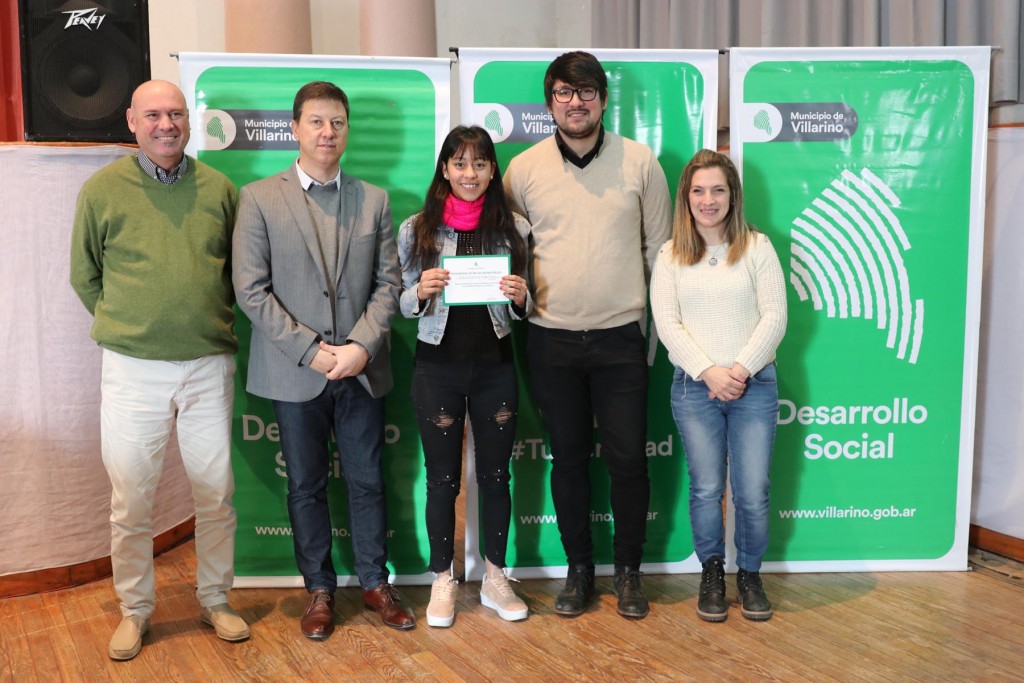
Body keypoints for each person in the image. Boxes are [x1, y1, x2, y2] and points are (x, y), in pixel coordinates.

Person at [70, 80, 249, 661]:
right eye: (153, 115)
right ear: (131, 121)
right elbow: (84, 276)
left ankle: (215, 598)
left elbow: (237, 276)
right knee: (131, 499)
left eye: (175, 113)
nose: (165, 124)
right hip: (132, 370)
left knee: (216, 494)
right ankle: (135, 609)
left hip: (208, 365)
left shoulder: (220, 190)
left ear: (189, 120)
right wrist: (132, 325)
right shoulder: (101, 191)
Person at [232, 81, 411, 639]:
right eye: (316, 121)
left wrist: (360, 347)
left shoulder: (374, 200)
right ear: (295, 128)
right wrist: (311, 351)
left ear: (347, 130)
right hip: (294, 372)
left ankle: (376, 583)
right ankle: (319, 589)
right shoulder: (259, 198)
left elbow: (389, 284)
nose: (327, 132)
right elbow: (251, 290)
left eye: (337, 122)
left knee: (367, 482)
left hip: (361, 369)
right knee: (305, 486)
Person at [504, 51, 672, 619]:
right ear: (549, 101)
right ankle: (579, 570)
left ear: (602, 98)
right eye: (563, 92)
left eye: (586, 92)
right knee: (568, 461)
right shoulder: (523, 170)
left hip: (621, 338)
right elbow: (511, 253)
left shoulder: (641, 162)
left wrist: (651, 336)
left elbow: (660, 253)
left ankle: (628, 572)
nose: (575, 102)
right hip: (550, 339)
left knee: (629, 462)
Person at [397, 126, 532, 628]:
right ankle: (442, 578)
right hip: (438, 367)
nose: (469, 174)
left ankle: (495, 577)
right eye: (459, 163)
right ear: (445, 170)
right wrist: (420, 291)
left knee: (496, 477)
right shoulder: (417, 229)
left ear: (493, 171)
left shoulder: (513, 229)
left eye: (479, 164)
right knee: (442, 480)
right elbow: (400, 301)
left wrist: (521, 297)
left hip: (496, 366)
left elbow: (529, 300)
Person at [650, 149, 787, 622]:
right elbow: (667, 324)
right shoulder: (670, 255)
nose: (708, 200)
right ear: (686, 197)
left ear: (733, 196)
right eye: (698, 191)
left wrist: (740, 371)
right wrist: (709, 371)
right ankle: (711, 572)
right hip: (695, 388)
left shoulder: (757, 247)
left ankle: (749, 574)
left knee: (752, 490)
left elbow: (775, 317)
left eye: (717, 190)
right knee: (706, 487)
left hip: (755, 385)